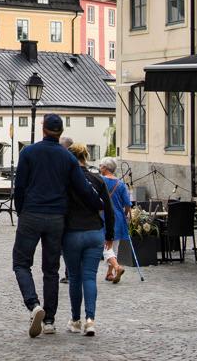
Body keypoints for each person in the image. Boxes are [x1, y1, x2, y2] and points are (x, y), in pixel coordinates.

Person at [12, 114, 101, 338]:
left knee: (21, 264)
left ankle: (34, 305)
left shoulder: (28, 152)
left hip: (31, 213)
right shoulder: (68, 157)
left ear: (43, 129)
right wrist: (99, 204)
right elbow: (82, 188)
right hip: (56, 218)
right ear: (61, 132)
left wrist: (21, 210)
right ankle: (49, 321)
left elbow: (19, 186)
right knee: (51, 270)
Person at [64, 143, 114, 336]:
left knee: (75, 277)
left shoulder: (66, 181)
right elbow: (108, 209)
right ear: (85, 157)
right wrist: (109, 235)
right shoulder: (97, 179)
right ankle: (90, 320)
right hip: (94, 232)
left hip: (72, 233)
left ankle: (75, 320)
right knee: (89, 277)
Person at [98, 158, 131, 283]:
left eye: (101, 166)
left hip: (103, 216)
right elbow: (127, 204)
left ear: (106, 168)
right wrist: (125, 215)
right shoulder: (121, 184)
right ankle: (109, 273)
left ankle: (117, 267)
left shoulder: (100, 181)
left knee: (106, 246)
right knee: (114, 246)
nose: (100, 168)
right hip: (118, 217)